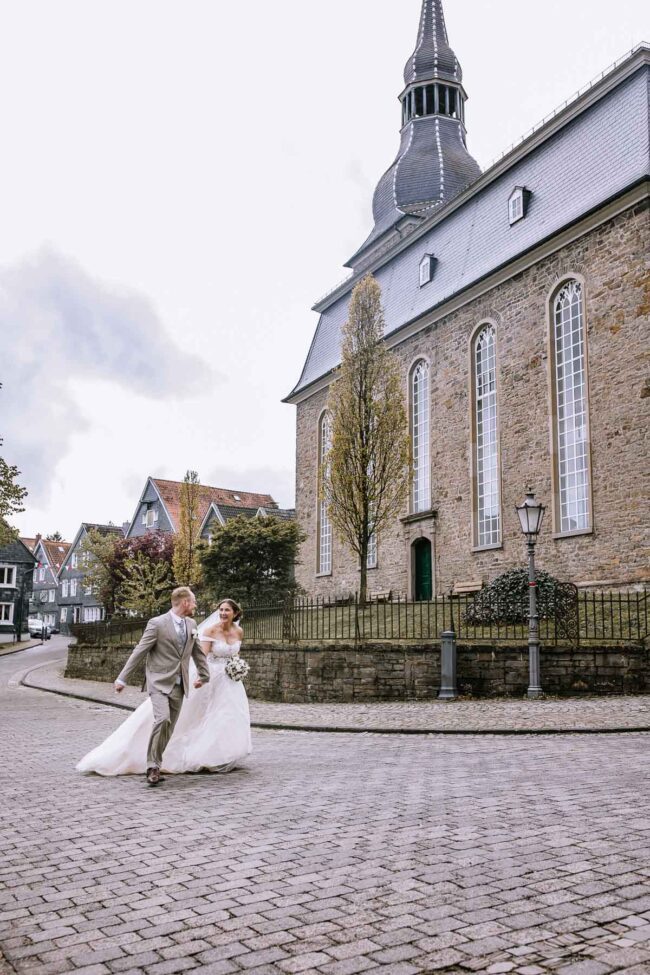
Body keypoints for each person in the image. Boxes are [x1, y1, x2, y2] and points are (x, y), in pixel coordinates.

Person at [76, 597, 252, 780]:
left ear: (235, 613)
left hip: (229, 681)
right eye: (221, 610)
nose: (223, 613)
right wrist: (202, 677)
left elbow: (235, 655)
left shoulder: (239, 631)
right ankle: (169, 755)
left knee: (226, 715)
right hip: (208, 678)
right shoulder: (210, 630)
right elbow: (201, 656)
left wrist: (237, 667)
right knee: (196, 716)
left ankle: (220, 754)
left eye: (227, 610)